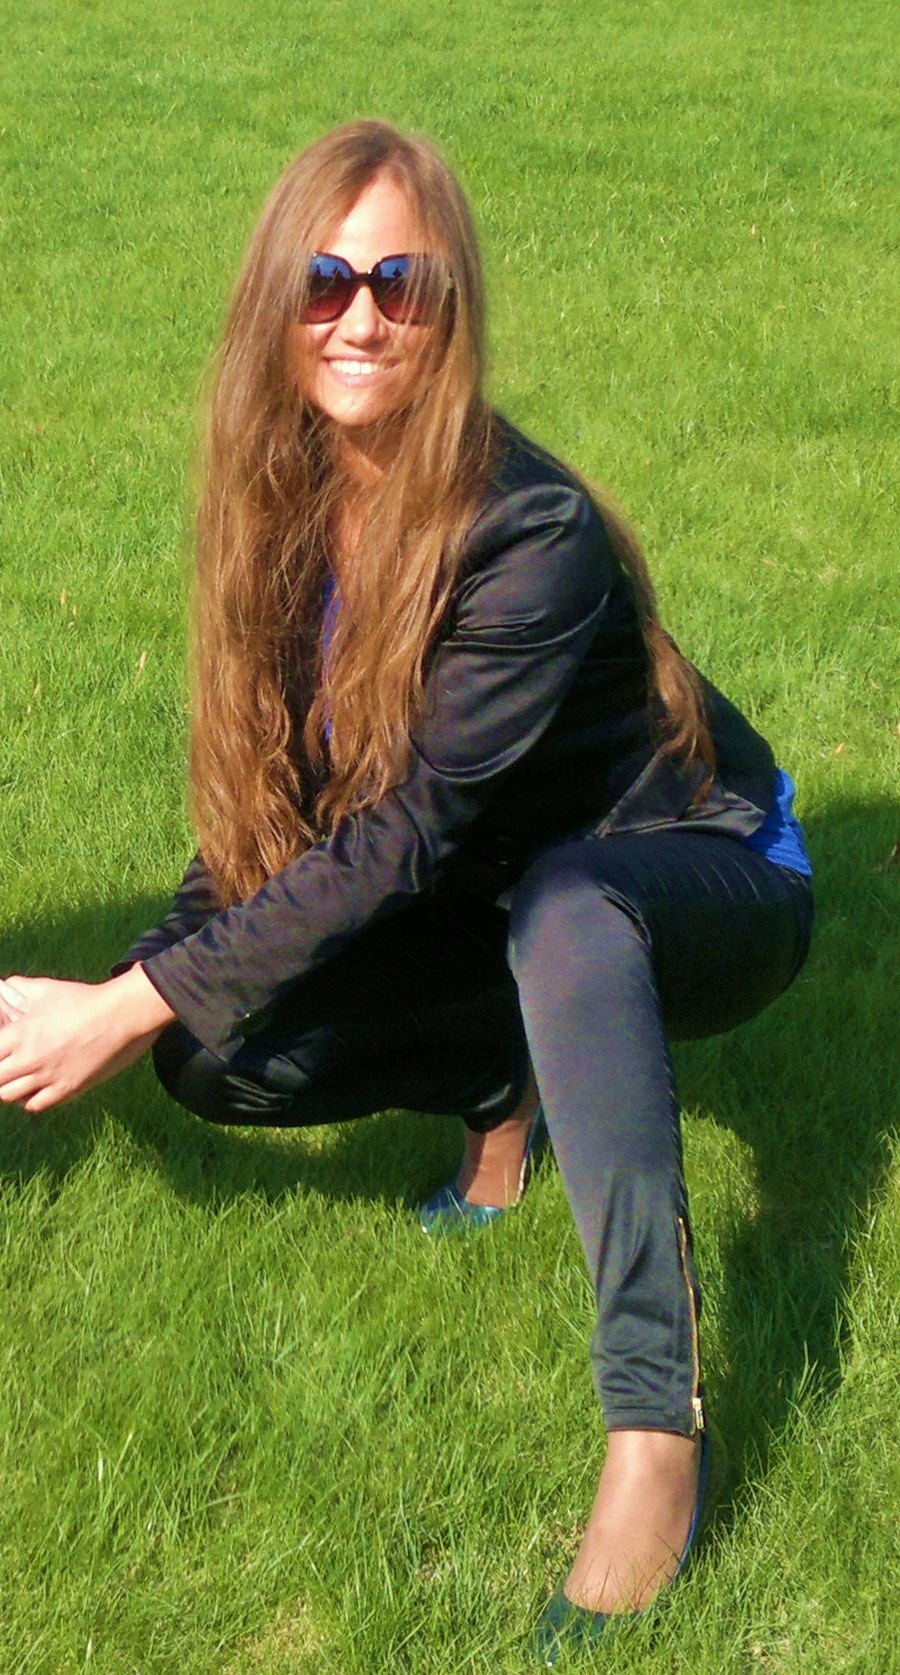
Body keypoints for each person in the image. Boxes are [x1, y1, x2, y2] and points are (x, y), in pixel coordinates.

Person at [0, 120, 813, 1658]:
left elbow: (408, 831)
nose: (359, 318)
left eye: (401, 283)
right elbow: (284, 825)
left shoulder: (531, 530)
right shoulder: (287, 501)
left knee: (573, 912)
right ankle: (505, 1083)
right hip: (495, 872)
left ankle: (656, 1429)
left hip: (700, 867)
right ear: (276, 305)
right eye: (324, 282)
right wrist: (118, 997)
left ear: (451, 308)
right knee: (212, 1052)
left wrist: (120, 1001)